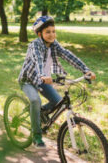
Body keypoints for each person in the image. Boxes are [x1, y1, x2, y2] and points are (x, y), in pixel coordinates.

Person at [18, 16, 96, 149]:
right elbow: (37, 60)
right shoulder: (34, 45)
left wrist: (85, 70)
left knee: (58, 102)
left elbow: (68, 55)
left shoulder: (54, 44)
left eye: (53, 31)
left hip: (43, 80)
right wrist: (43, 74)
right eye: (48, 32)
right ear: (39, 34)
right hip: (28, 80)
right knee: (35, 100)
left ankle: (39, 113)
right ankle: (36, 136)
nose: (52, 34)